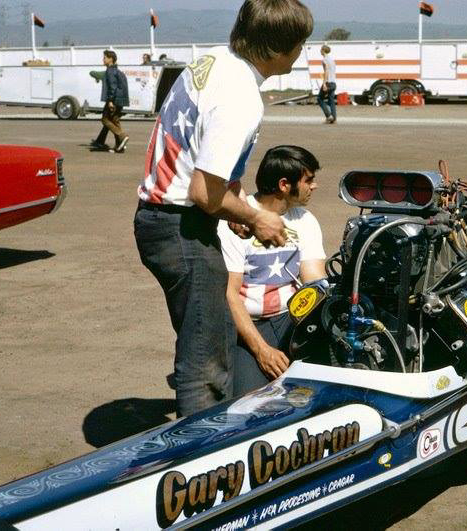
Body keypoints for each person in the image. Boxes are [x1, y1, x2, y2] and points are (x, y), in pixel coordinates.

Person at [133, 0, 314, 417]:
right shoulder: (242, 98)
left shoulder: (214, 61)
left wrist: (232, 210)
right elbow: (204, 191)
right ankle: (202, 447)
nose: (302, 50)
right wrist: (255, 216)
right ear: (277, 49)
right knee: (205, 358)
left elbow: (202, 151)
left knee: (205, 339)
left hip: (161, 217)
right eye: (299, 43)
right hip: (181, 227)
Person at [219, 146, 325, 395]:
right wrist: (261, 351)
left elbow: (315, 282)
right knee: (248, 402)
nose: (315, 186)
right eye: (309, 180)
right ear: (284, 185)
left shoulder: (305, 219)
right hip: (249, 326)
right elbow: (230, 294)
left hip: (291, 319)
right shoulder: (236, 222)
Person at [90, 50, 130, 153]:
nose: (103, 60)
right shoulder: (117, 71)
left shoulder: (110, 71)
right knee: (114, 120)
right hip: (120, 100)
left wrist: (110, 101)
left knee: (105, 119)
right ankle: (119, 146)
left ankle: (122, 135)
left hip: (114, 100)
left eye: (104, 58)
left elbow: (112, 87)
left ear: (110, 59)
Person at [317, 45, 336, 124]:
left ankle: (328, 116)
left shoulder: (324, 60)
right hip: (333, 82)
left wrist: (324, 83)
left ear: (323, 51)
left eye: (321, 50)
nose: (320, 51)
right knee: (331, 101)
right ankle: (334, 119)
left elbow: (326, 71)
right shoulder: (332, 60)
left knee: (320, 98)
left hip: (328, 82)